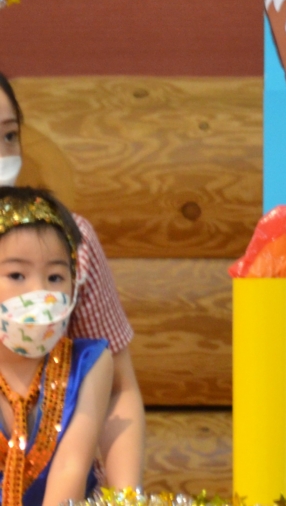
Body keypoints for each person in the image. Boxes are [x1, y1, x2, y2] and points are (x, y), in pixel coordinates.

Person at [0, 74, 144, 489]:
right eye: (16, 273)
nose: (3, 154)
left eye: (9, 136)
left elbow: (117, 390)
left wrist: (124, 497)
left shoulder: (71, 238)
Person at [0, 186, 113, 505]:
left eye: (55, 278)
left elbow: (70, 469)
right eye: (17, 275)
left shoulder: (91, 364)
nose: (40, 292)